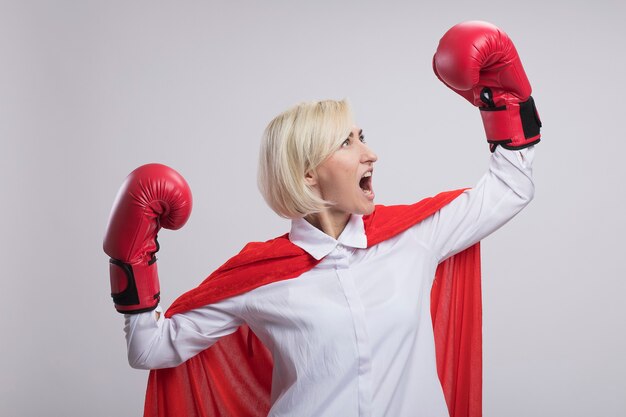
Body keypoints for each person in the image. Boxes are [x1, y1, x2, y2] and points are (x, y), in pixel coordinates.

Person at [103, 21, 541, 417]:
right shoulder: (259, 278)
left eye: (362, 137)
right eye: (347, 143)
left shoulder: (414, 237)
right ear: (308, 171)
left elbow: (510, 188)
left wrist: (502, 99)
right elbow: (150, 349)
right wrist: (131, 259)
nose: (370, 153)